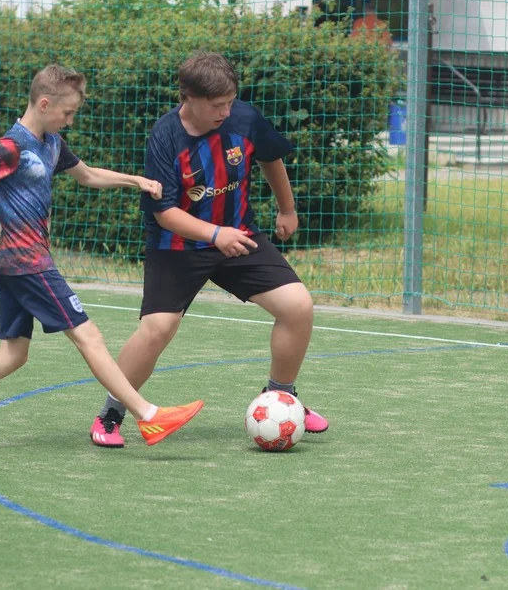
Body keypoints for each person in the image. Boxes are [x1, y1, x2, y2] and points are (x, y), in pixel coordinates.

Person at [0, 64, 203, 451]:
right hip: (28, 263)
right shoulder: (11, 147)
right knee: (90, 337)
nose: (70, 120)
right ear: (45, 103)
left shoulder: (51, 142)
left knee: (13, 355)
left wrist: (136, 181)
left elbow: (88, 176)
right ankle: (149, 417)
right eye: (67, 113)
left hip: (15, 264)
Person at [89, 51, 328, 448]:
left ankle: (283, 397)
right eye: (217, 105)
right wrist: (215, 234)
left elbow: (271, 158)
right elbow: (165, 213)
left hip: (238, 235)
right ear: (189, 98)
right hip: (177, 246)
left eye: (230, 101)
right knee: (158, 328)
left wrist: (288, 209)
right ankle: (111, 414)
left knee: (298, 306)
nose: (225, 111)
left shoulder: (244, 119)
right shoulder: (165, 136)